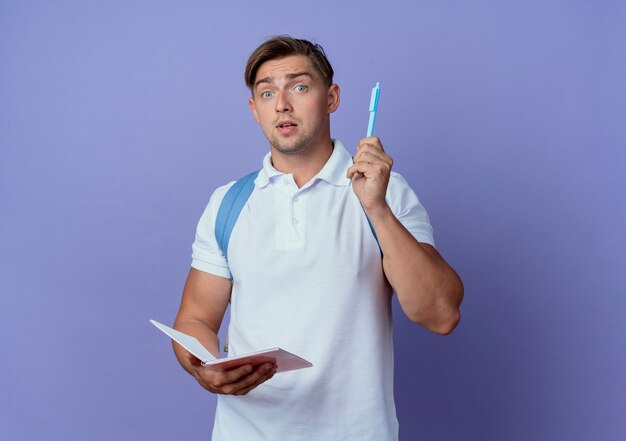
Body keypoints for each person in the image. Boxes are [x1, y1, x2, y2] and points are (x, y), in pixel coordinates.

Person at [172, 35, 463, 441]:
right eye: (267, 92)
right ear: (254, 110)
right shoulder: (228, 203)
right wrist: (202, 367)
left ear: (332, 98)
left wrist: (375, 208)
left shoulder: (387, 193)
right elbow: (196, 318)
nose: (282, 104)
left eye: (300, 86)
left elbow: (441, 313)